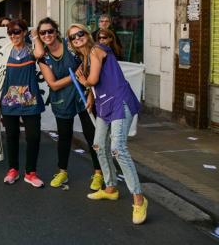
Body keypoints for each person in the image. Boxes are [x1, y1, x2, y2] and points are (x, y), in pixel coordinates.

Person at [70, 24, 148, 225]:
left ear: (87, 35)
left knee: (118, 149)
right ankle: (111, 188)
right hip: (104, 106)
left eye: (80, 33)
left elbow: (93, 79)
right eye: (72, 37)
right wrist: (90, 95)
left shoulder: (97, 50)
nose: (77, 38)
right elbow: (95, 83)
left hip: (119, 102)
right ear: (71, 43)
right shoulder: (85, 59)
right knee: (98, 145)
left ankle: (139, 200)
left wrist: (82, 81)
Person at [32, 18, 103, 190]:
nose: (47, 35)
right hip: (62, 100)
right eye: (43, 33)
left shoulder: (71, 45)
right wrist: (73, 77)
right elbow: (53, 84)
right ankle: (62, 171)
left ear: (56, 31)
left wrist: (90, 93)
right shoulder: (44, 58)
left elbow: (89, 59)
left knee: (92, 134)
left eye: (50, 31)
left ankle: (99, 173)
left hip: (83, 96)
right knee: (64, 137)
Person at [0, 19, 45, 186]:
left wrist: (35, 36)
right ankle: (13, 170)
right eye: (10, 32)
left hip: (30, 100)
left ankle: (30, 173)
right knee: (11, 136)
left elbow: (40, 54)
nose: (13, 35)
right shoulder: (5, 51)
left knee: (33, 137)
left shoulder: (30, 50)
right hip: (9, 100)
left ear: (24, 32)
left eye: (17, 32)